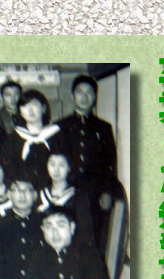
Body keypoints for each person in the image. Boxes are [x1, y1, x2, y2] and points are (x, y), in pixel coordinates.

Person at [55, 75, 122, 251]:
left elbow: (110, 163)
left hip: (95, 195)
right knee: (69, 240)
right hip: (68, 193)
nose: (84, 97)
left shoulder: (103, 127)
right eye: (80, 92)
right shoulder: (61, 126)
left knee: (96, 241)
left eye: (89, 93)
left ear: (95, 96)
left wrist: (107, 192)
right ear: (72, 96)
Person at [0, 171, 43, 279]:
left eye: (27, 190)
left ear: (35, 195)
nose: (22, 195)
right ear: (9, 194)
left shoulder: (45, 223)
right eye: (16, 190)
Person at [0, 89, 61, 190]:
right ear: (21, 112)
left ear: (43, 108)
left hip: (51, 189)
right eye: (25, 106)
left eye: (34, 105)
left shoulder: (56, 134)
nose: (30, 110)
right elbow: (7, 167)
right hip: (23, 191)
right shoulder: (14, 137)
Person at [36, 152, 95, 248]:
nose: (56, 169)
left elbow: (85, 232)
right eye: (52, 164)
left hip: (72, 249)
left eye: (61, 165)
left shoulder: (78, 196)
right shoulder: (40, 195)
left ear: (69, 168)